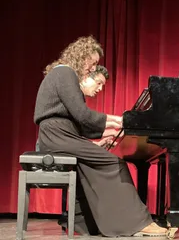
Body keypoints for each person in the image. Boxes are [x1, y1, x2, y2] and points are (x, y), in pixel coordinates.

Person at [33, 35, 167, 237]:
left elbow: (81, 124)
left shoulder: (63, 75)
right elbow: (82, 115)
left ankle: (85, 224)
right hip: (57, 136)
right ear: (81, 56)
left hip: (60, 136)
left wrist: (105, 135)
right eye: (93, 63)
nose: (93, 68)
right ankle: (138, 223)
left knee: (89, 165)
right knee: (113, 163)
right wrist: (118, 121)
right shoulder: (65, 73)